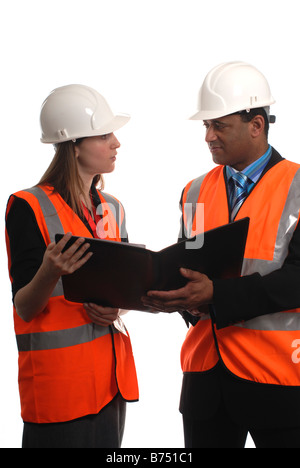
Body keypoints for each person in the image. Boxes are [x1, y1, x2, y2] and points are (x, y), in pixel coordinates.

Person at [142, 62, 300, 448]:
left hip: (278, 382)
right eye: (205, 127)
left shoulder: (297, 186)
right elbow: (190, 261)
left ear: (256, 125)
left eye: (219, 126)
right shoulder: (195, 192)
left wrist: (216, 296)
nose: (209, 136)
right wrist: (176, 299)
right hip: (205, 384)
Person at [5, 84, 139, 448]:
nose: (116, 143)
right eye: (104, 135)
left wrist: (117, 306)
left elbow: (124, 291)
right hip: (59, 391)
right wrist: (50, 271)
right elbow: (25, 307)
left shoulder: (112, 207)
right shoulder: (27, 207)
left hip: (110, 385)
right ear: (74, 145)